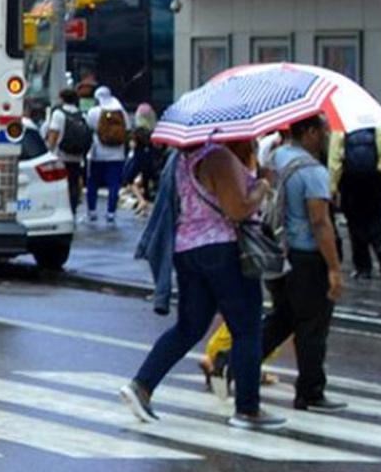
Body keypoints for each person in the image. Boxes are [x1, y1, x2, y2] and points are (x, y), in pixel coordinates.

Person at [118, 126, 288, 429]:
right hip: (223, 250)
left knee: (190, 327)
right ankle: (248, 409)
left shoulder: (184, 159)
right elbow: (237, 209)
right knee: (247, 328)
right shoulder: (218, 157)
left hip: (188, 250)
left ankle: (142, 385)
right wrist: (263, 185)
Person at [259, 115, 347, 412]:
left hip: (277, 251)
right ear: (310, 132)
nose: (326, 136)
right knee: (312, 326)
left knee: (282, 318)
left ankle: (230, 362)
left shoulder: (276, 157)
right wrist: (334, 268)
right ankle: (310, 390)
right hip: (307, 257)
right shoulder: (313, 171)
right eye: (323, 131)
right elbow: (320, 222)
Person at [334, 122, 381, 279]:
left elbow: (334, 161)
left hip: (350, 181)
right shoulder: (375, 127)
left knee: (355, 224)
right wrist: (380, 169)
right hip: (374, 180)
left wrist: (332, 187)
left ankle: (363, 267)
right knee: (374, 218)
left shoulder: (340, 128)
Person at [44, 88, 93, 219]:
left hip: (60, 155)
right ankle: (72, 208)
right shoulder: (82, 115)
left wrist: (48, 152)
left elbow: (53, 135)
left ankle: (60, 208)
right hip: (76, 156)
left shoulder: (58, 114)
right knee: (73, 183)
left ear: (62, 99)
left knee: (59, 184)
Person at [86, 86, 131, 223]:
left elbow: (88, 128)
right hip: (117, 155)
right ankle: (111, 212)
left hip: (97, 154)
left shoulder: (94, 112)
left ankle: (92, 211)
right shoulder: (121, 112)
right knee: (114, 184)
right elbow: (128, 129)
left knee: (93, 183)